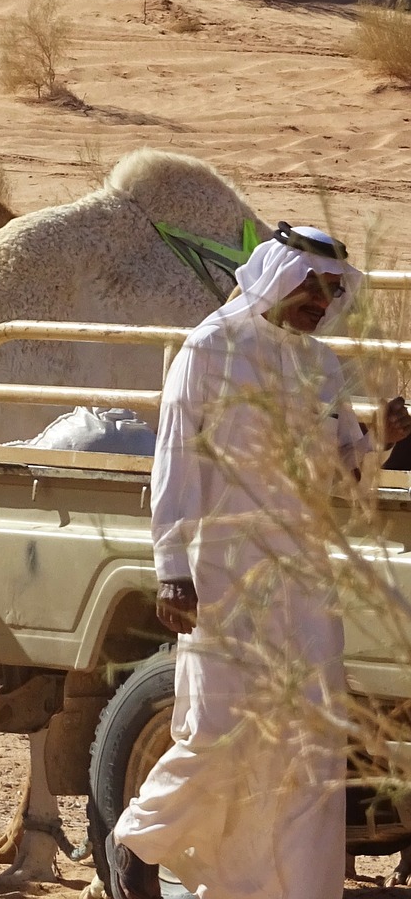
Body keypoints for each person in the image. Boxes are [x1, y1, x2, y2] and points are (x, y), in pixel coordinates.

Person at [108, 222, 411, 899]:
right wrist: (171, 567)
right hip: (222, 574)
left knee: (307, 748)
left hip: (303, 582)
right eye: (312, 284)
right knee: (217, 733)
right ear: (277, 273)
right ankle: (138, 843)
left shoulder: (321, 365)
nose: (322, 300)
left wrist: (378, 440)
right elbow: (175, 461)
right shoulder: (209, 349)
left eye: (333, 289)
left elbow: (336, 475)